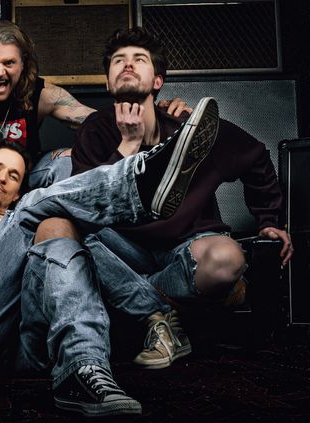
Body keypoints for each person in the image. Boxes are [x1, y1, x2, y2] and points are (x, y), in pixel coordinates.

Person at [0, 104, 218, 416]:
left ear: (16, 191)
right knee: (35, 210)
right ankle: (137, 187)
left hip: (30, 348)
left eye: (14, 175)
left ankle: (83, 366)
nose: (3, 178)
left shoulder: (34, 221)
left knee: (58, 225)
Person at [69, 27, 293, 368]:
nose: (127, 64)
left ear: (157, 80)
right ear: (108, 83)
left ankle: (142, 301)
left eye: (138, 59)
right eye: (118, 60)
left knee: (228, 259)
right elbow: (85, 205)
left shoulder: (190, 128)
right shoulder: (94, 131)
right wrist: (127, 145)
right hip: (121, 251)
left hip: (187, 245)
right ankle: (163, 311)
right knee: (65, 231)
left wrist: (269, 221)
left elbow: (256, 157)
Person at [0, 19, 191, 210]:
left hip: (25, 173)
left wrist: (155, 108)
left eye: (9, 63)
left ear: (22, 65)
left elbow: (101, 120)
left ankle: (59, 223)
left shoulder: (42, 94)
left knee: (66, 158)